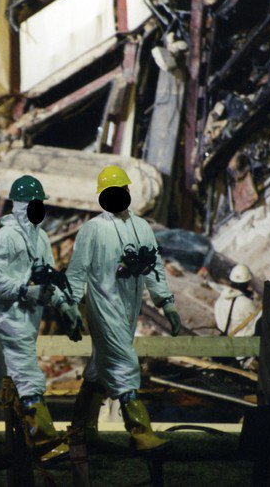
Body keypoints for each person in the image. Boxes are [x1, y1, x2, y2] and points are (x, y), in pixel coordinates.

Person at [0, 175, 83, 462]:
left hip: (29, 318)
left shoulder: (40, 237)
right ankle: (44, 441)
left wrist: (64, 305)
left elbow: (49, 279)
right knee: (27, 375)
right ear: (20, 205)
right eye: (32, 204)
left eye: (39, 203)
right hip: (8, 317)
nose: (37, 208)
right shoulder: (5, 237)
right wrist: (24, 291)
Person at [66, 165, 181, 453]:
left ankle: (81, 431)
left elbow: (154, 268)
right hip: (103, 308)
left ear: (128, 192)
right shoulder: (91, 230)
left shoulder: (141, 227)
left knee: (97, 371)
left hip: (129, 310)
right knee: (124, 363)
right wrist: (69, 307)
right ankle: (140, 432)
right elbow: (77, 273)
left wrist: (166, 303)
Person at [213, 264, 260, 337]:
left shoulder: (220, 299)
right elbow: (257, 323)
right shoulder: (245, 303)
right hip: (243, 342)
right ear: (247, 283)